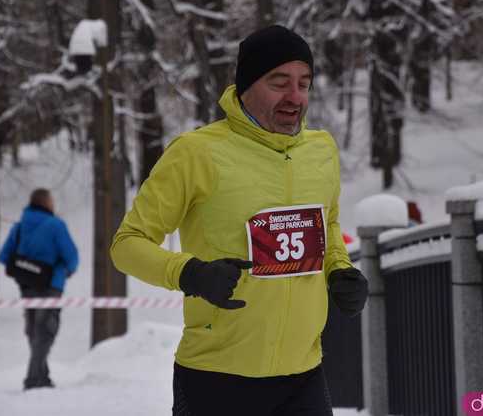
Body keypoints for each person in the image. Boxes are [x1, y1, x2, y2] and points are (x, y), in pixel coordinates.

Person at [110, 25, 368, 416]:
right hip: (216, 381)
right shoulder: (196, 153)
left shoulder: (322, 150)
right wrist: (190, 273)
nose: (294, 97)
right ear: (246, 86)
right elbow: (127, 243)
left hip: (304, 379)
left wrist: (339, 269)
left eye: (304, 83)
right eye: (279, 83)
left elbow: (326, 223)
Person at [0, 188, 79, 390]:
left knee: (34, 332)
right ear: (46, 203)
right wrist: (64, 269)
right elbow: (72, 257)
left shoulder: (20, 226)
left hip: (27, 285)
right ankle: (33, 379)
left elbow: (4, 255)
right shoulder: (56, 225)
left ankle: (42, 376)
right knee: (45, 332)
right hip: (51, 286)